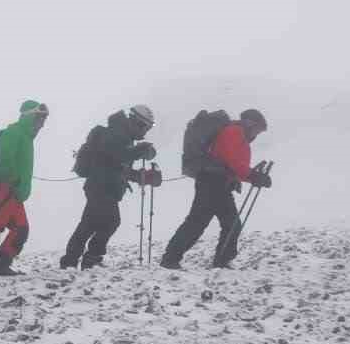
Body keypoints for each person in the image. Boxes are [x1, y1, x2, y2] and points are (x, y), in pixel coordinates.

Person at [159, 109, 270, 270]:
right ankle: (172, 259)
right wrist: (253, 176)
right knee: (203, 222)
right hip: (212, 182)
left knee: (219, 223)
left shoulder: (240, 136)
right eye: (258, 129)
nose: (257, 134)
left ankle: (215, 260)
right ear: (250, 123)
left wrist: (251, 176)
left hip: (217, 182)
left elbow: (236, 165)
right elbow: (233, 161)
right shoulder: (234, 132)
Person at [61, 105, 162, 270]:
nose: (146, 132)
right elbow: (118, 155)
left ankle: (71, 262)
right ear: (138, 123)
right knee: (111, 221)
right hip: (102, 186)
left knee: (89, 224)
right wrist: (141, 150)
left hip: (102, 186)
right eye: (146, 127)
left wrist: (140, 176)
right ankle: (89, 259)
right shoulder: (115, 133)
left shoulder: (122, 135)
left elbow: (118, 165)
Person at [0, 101, 48, 278]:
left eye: (43, 119)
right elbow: (6, 160)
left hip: (15, 192)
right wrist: (14, 180)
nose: (42, 123)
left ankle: (1, 266)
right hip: (4, 187)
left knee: (21, 229)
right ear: (30, 116)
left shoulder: (27, 138)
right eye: (40, 118)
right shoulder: (13, 132)